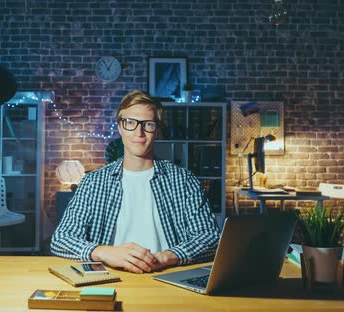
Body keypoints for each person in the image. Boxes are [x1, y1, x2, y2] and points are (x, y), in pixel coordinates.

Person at [51, 90, 220, 273]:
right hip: (110, 279)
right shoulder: (94, 182)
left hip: (168, 279)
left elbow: (210, 238)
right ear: (120, 127)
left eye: (148, 124)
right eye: (130, 123)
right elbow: (61, 239)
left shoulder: (184, 181)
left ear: (157, 130)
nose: (139, 132)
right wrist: (103, 252)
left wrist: (165, 256)